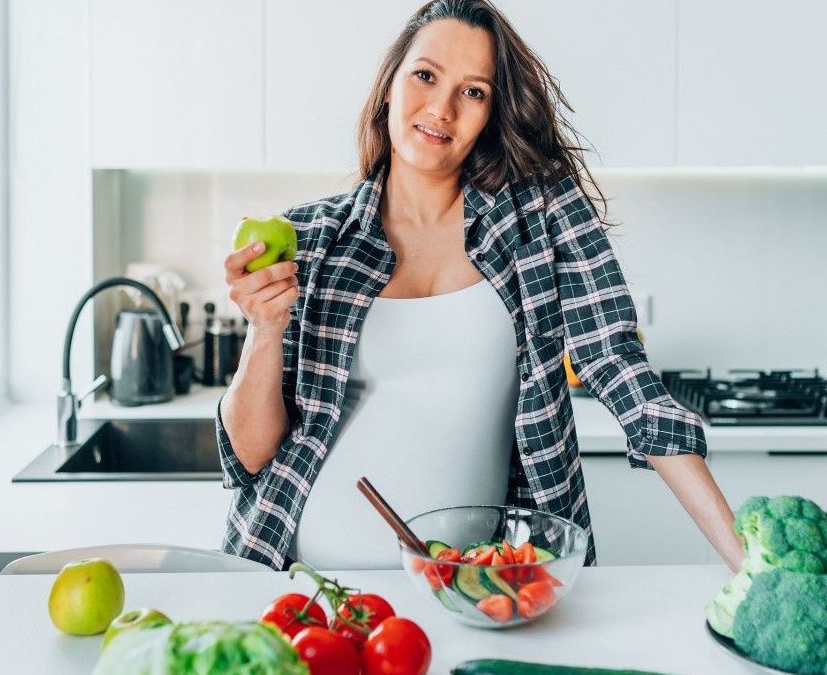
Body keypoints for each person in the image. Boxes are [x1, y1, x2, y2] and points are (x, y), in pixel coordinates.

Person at [215, 0, 744, 573]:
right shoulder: (312, 237)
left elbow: (621, 371)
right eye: (425, 75)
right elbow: (250, 453)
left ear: (492, 113)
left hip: (481, 589)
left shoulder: (539, 215)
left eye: (473, 92)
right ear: (388, 87)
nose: (441, 108)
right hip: (303, 580)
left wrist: (745, 558)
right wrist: (265, 331)